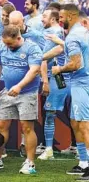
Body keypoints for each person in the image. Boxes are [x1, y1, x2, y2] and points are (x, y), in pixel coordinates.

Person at [0, 25, 42, 174]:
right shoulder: (2, 48)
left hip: (27, 93)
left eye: (10, 44)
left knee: (27, 128)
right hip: (7, 92)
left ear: (19, 38)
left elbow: (34, 70)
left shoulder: (32, 48)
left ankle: (30, 163)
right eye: (5, 43)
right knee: (1, 126)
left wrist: (19, 86)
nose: (7, 47)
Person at [50, 4, 89, 180]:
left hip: (82, 83)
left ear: (71, 16)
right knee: (75, 121)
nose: (60, 21)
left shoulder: (74, 36)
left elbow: (75, 64)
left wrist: (59, 69)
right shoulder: (83, 31)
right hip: (80, 83)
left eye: (62, 18)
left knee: (83, 124)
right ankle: (83, 162)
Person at [38, 9, 72, 160]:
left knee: (50, 114)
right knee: (78, 116)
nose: (41, 19)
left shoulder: (52, 32)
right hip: (72, 78)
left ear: (53, 19)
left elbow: (44, 59)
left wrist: (45, 80)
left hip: (58, 79)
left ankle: (49, 149)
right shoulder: (64, 32)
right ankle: (79, 150)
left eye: (44, 16)